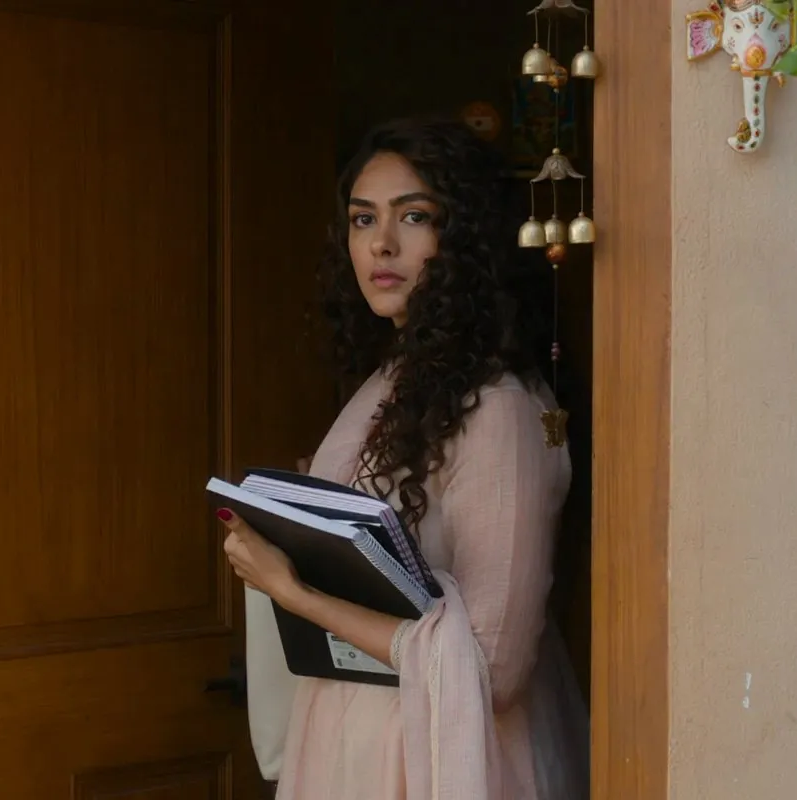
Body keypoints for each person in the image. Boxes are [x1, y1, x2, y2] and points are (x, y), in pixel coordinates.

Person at [218, 117, 589, 799]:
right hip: (354, 737)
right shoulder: (392, 383)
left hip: (439, 760)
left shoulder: (498, 408)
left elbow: (493, 671)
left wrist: (294, 591)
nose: (381, 243)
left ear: (464, 239)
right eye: (363, 220)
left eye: (414, 217)